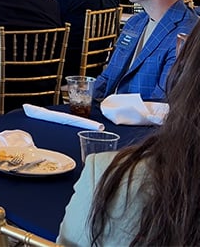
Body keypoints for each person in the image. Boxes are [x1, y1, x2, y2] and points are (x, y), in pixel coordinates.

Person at [58, 22, 200, 246]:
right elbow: (108, 76)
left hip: (141, 137)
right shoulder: (134, 23)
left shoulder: (185, 29)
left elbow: (159, 100)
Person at [93, 0, 196, 101]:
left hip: (139, 123)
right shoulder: (135, 23)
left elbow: (161, 103)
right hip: (105, 116)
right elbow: (107, 79)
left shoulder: (186, 35)